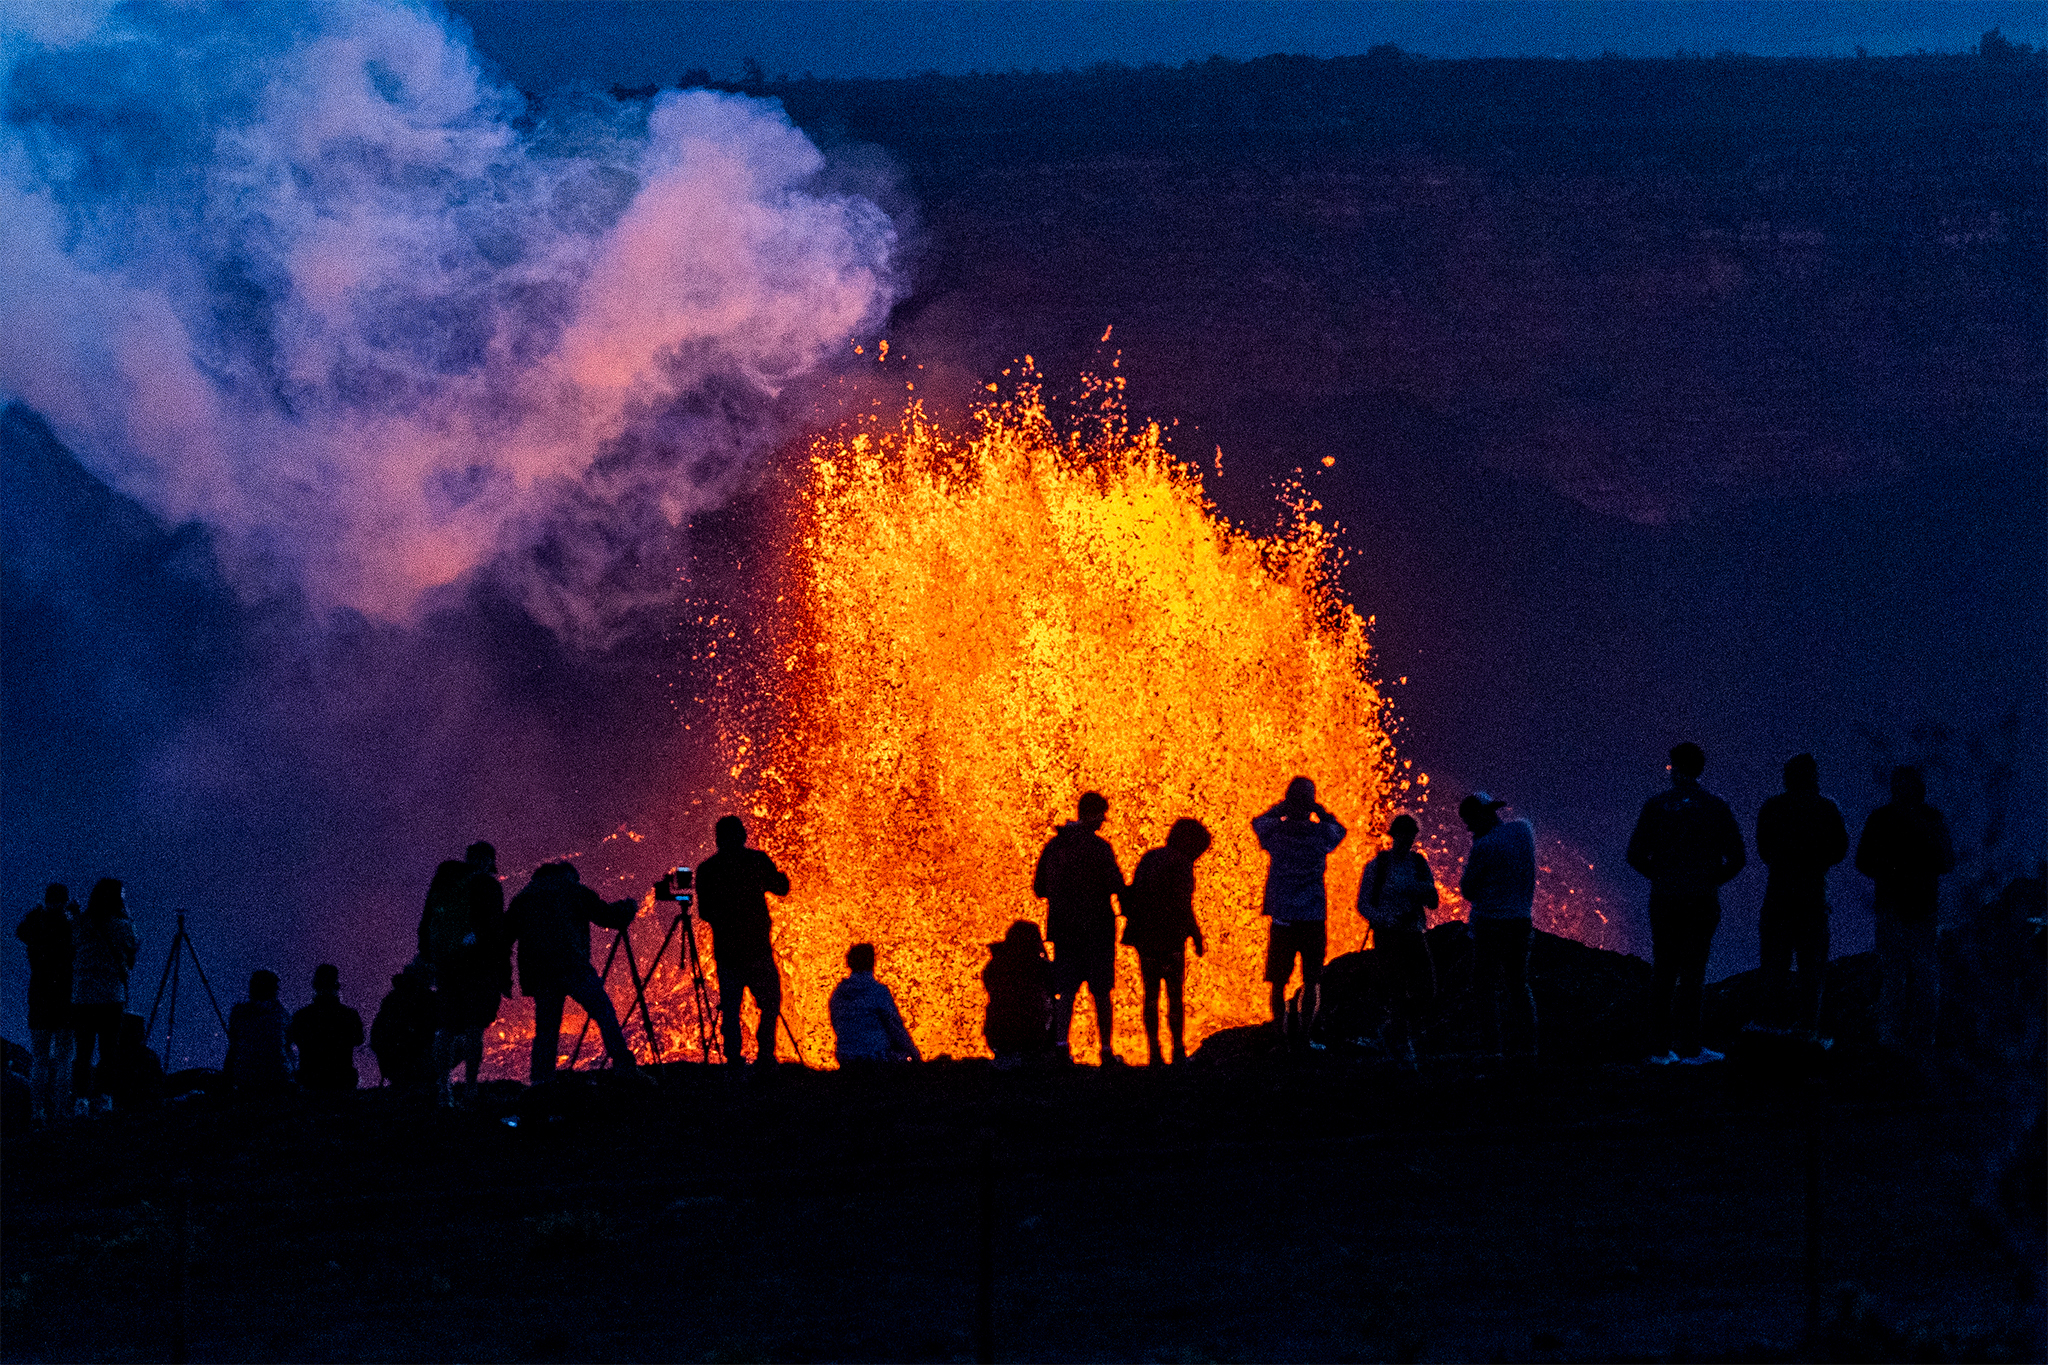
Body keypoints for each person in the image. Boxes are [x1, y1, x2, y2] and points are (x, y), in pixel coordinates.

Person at [1627, 743, 1746, 1065]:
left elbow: (1634, 854)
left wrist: (1661, 877)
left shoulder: (1657, 806)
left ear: (1676, 768)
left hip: (1665, 899)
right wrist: (1710, 880)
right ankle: (1690, 1047)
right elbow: (1738, 857)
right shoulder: (1715, 806)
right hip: (1701, 900)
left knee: (1664, 970)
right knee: (1694, 972)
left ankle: (1659, 1048)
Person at [506, 861, 646, 1084]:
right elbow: (607, 916)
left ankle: (541, 1082)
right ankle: (624, 1066)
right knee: (604, 1012)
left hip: (542, 973)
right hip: (573, 966)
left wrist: (506, 976)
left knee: (546, 1029)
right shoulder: (573, 890)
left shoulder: (524, 898)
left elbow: (505, 937)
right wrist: (627, 908)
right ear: (568, 874)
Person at [1855, 765, 1955, 1052]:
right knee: (1919, 972)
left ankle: (1893, 1036)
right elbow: (1947, 861)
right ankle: (1920, 1037)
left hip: (1896, 905)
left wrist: (1889, 870)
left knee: (1897, 973)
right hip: (1918, 905)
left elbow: (1862, 861)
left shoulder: (1882, 818)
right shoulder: (1930, 818)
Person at [1755, 754, 1850, 1039]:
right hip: (1812, 897)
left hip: (1779, 896)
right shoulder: (1826, 808)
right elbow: (1840, 849)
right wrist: (1815, 862)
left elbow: (1763, 848)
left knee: (1774, 965)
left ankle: (1770, 1026)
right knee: (1812, 968)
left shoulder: (1773, 808)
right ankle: (1808, 1027)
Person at [1034, 791, 1127, 1065]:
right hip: (1097, 929)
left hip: (1064, 929)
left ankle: (1062, 1047)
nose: (1104, 820)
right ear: (1092, 813)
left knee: (1066, 990)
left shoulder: (1054, 847)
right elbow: (1116, 885)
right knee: (1101, 992)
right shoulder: (1099, 848)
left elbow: (1039, 888)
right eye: (1102, 814)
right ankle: (1106, 1050)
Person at [1252, 776, 1346, 1045]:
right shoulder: (1320, 836)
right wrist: (1320, 811)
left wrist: (1281, 809)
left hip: (1283, 916)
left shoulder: (1277, 835)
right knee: (1312, 979)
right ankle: (1305, 1036)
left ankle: (1279, 1033)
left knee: (1278, 980)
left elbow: (1258, 823)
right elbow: (1339, 830)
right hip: (1313, 916)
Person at [695, 816, 793, 1070]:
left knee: (730, 1006)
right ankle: (765, 1055)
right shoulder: (756, 861)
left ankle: (734, 1059)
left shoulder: (707, 869)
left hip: (727, 950)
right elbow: (782, 888)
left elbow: (705, 912)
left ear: (718, 839)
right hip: (757, 947)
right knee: (770, 1002)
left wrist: (726, 918)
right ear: (742, 835)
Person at [419, 842, 509, 1105]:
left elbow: (426, 922)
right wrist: (499, 965)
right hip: (477, 966)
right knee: (473, 1027)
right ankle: (470, 1087)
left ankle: (443, 1088)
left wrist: (430, 957)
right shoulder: (488, 885)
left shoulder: (444, 883)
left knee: (446, 1027)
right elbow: (494, 928)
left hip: (446, 963)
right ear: (488, 861)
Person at [1121, 818, 1211, 1066]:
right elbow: (1183, 904)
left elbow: (1133, 892)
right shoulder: (1181, 863)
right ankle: (1179, 1051)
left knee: (1150, 995)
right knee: (1174, 995)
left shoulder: (1150, 858)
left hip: (1145, 937)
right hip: (1170, 937)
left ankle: (1154, 1053)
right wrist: (1196, 934)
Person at [1458, 793, 1539, 1060]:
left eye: (1470, 822)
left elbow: (1468, 889)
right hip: (1521, 921)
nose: (1469, 828)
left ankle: (1493, 1050)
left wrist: (1480, 843)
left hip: (1491, 923)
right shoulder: (1523, 830)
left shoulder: (1484, 845)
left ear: (1482, 815)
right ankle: (1529, 1048)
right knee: (1518, 984)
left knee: (1484, 985)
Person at [1359, 813, 1439, 1067]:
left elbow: (1432, 899)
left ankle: (1393, 1032)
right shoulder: (1377, 866)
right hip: (1389, 935)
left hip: (1413, 932)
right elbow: (1363, 904)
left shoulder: (1418, 864)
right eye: (1403, 834)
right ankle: (1400, 1041)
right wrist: (1385, 919)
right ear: (1394, 836)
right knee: (1397, 989)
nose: (1407, 840)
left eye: (1411, 835)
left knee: (1426, 988)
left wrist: (1418, 890)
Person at [71, 878, 139, 1115]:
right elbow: (133, 946)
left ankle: (80, 1099)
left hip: (83, 996)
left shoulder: (80, 923)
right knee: (109, 1051)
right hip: (112, 995)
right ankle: (104, 1097)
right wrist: (126, 912)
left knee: (83, 1052)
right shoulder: (122, 925)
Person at [16, 883, 76, 1124]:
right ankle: (61, 1111)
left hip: (39, 994)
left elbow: (20, 931)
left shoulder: (36, 925)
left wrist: (36, 911)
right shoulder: (69, 926)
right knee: (64, 1057)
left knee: (39, 1057)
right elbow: (82, 936)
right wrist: (75, 912)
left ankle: (37, 1111)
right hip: (65, 995)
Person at [828, 943, 920, 1066]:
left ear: (849, 963)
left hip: (846, 1057)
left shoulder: (838, 994)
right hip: (875, 1057)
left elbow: (837, 1026)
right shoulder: (877, 991)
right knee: (907, 1059)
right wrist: (914, 1054)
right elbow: (895, 1028)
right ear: (872, 962)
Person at [983, 920, 1056, 1069]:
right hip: (1031, 1029)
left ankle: (1009, 1055)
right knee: (1051, 1006)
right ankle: (1045, 1050)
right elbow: (1052, 988)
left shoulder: (996, 964)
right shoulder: (1038, 966)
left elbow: (989, 986)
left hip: (998, 1032)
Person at [289, 963, 365, 1092]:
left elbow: (293, 1039)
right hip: (342, 1079)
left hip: (310, 1080)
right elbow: (359, 1039)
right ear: (337, 985)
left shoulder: (302, 1016)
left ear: (315, 985)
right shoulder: (349, 1015)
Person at [370, 961, 437, 1092]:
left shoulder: (390, 1000)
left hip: (391, 1066)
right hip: (415, 1063)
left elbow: (375, 1036)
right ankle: (429, 1077)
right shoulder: (427, 1000)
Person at [226, 969, 295, 1095]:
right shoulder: (282, 1015)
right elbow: (288, 1045)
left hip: (246, 1081)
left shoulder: (238, 1013)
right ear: (274, 991)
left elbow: (233, 1047)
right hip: (279, 1079)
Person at [101, 1013, 165, 1112]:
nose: (143, 1032)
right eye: (140, 1029)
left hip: (125, 1110)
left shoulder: (111, 1057)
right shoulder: (148, 1057)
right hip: (144, 1110)